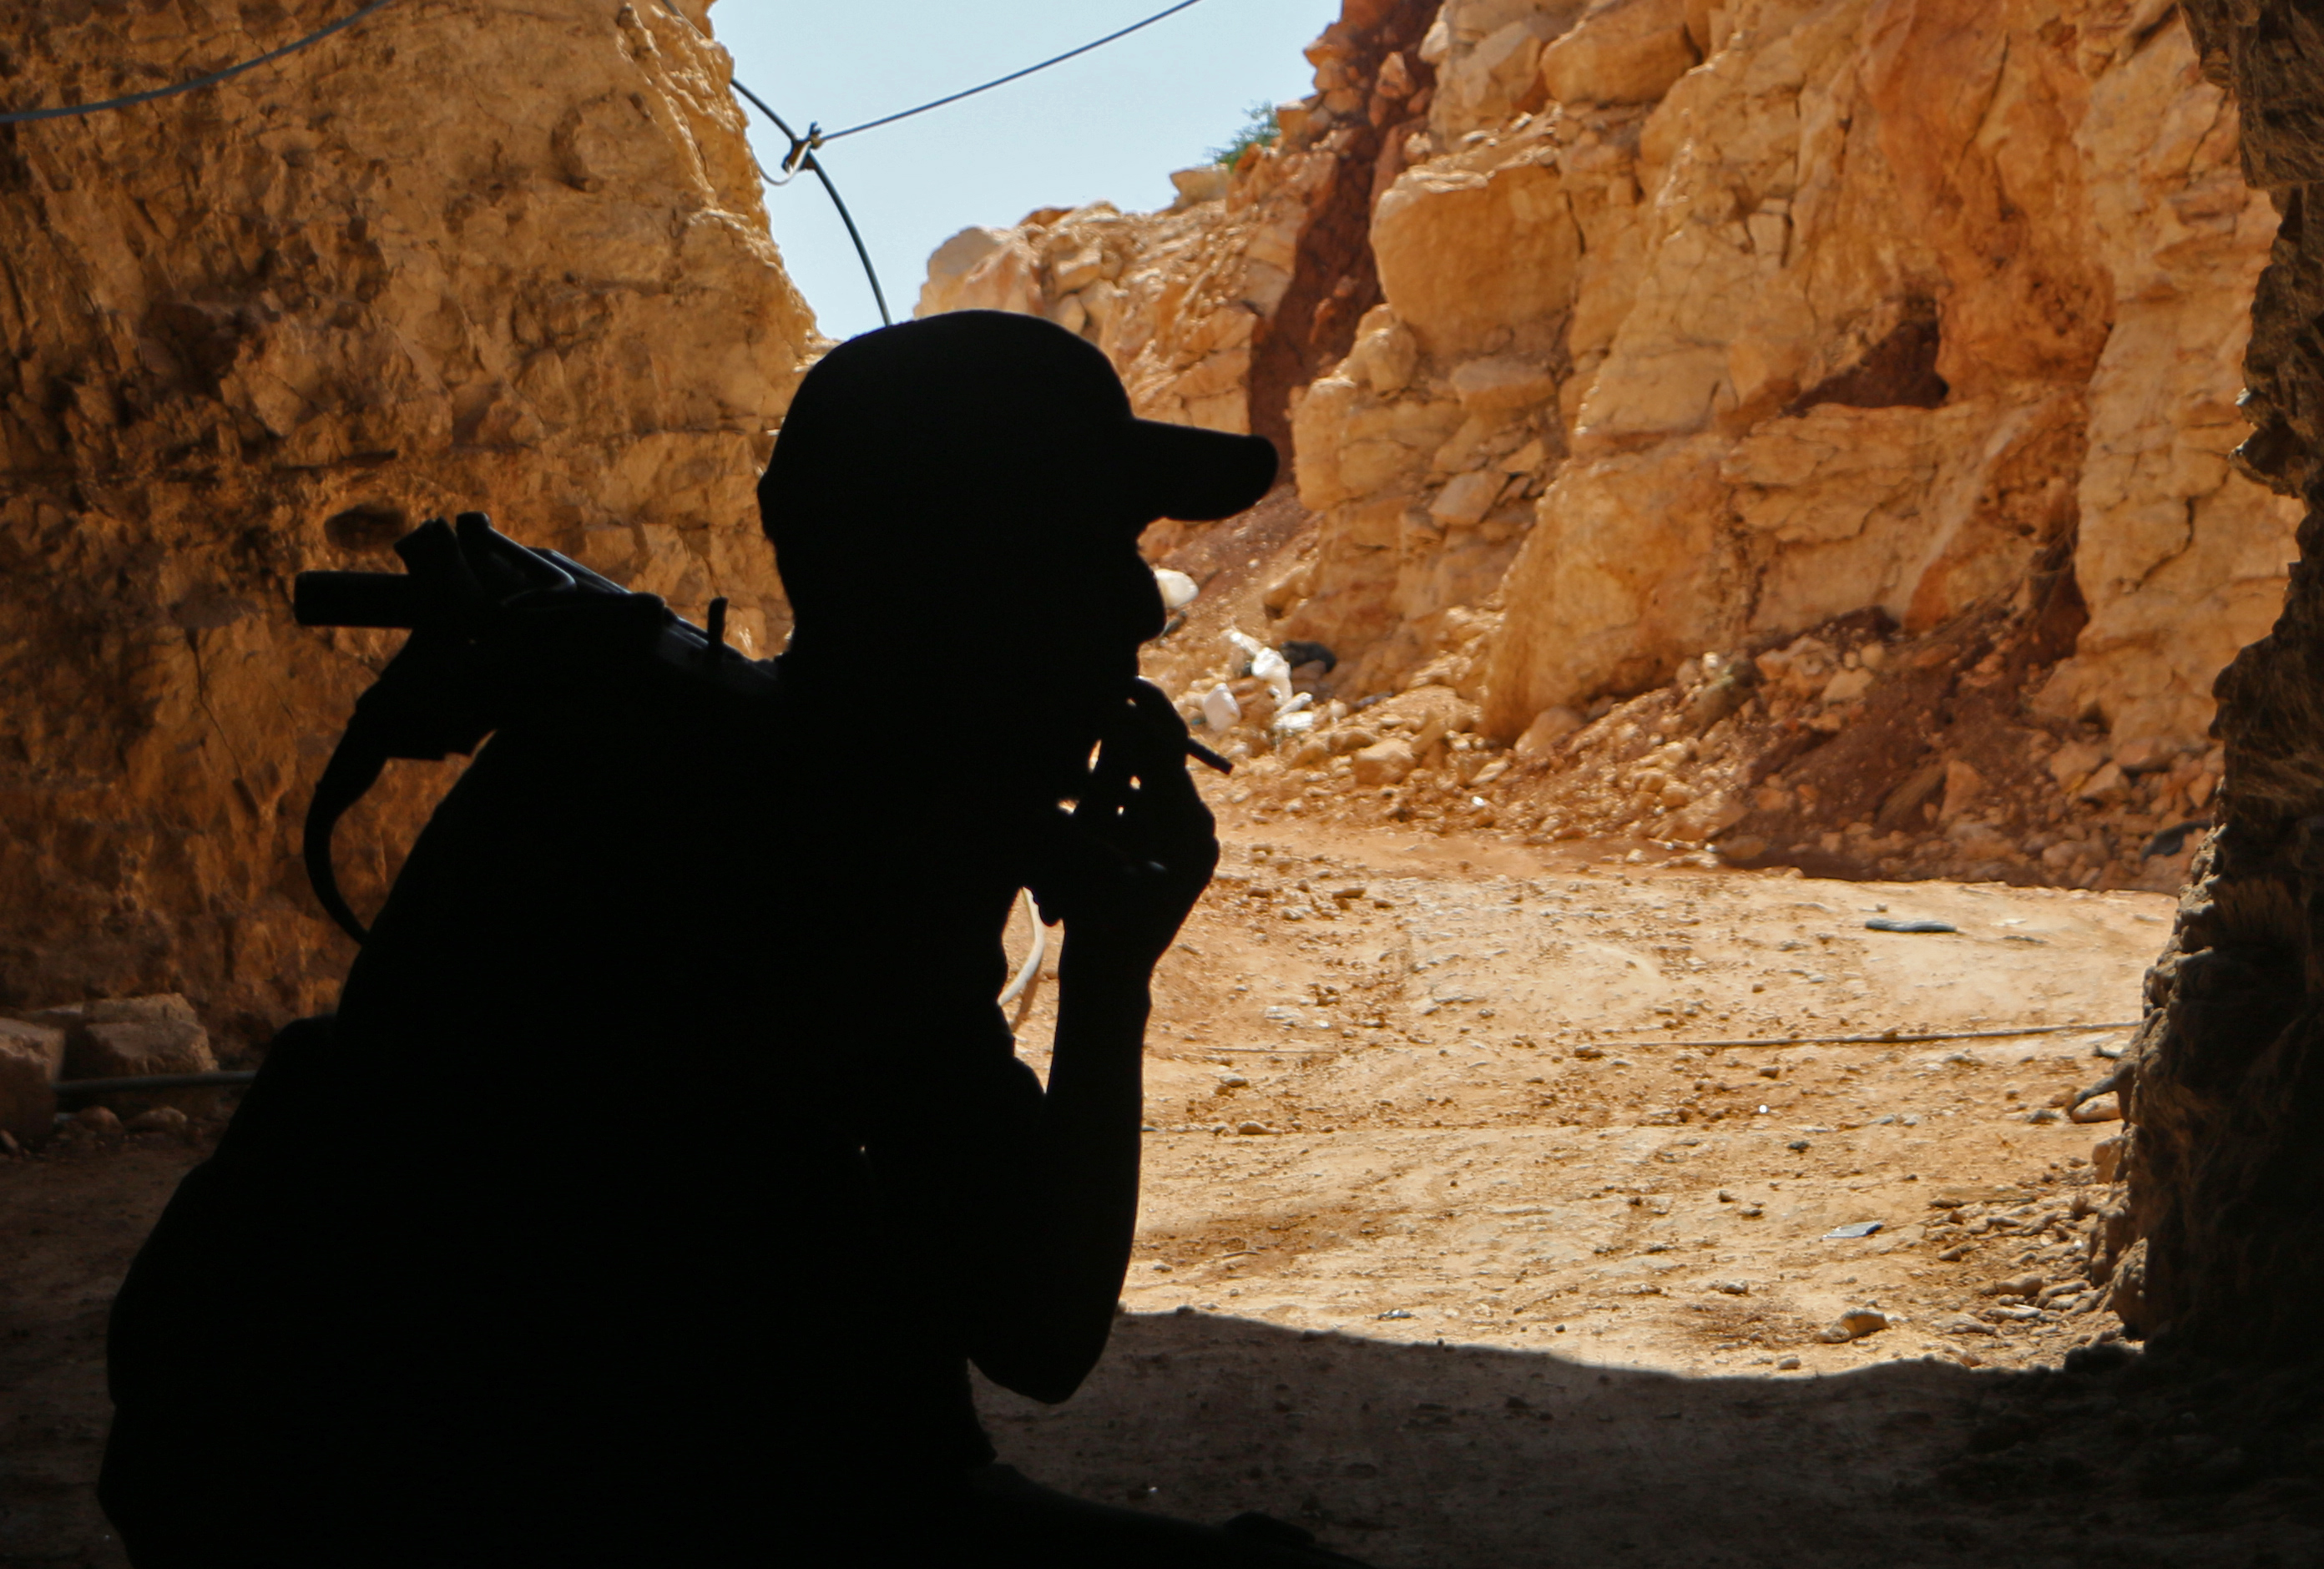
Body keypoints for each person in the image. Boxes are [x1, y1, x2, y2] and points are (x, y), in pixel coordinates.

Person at [99, 310, 1372, 1566]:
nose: (1132, 614)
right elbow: (1036, 1333)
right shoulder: (816, 848)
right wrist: (1108, 972)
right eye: (1092, 552)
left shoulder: (684, 769)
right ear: (966, 589)